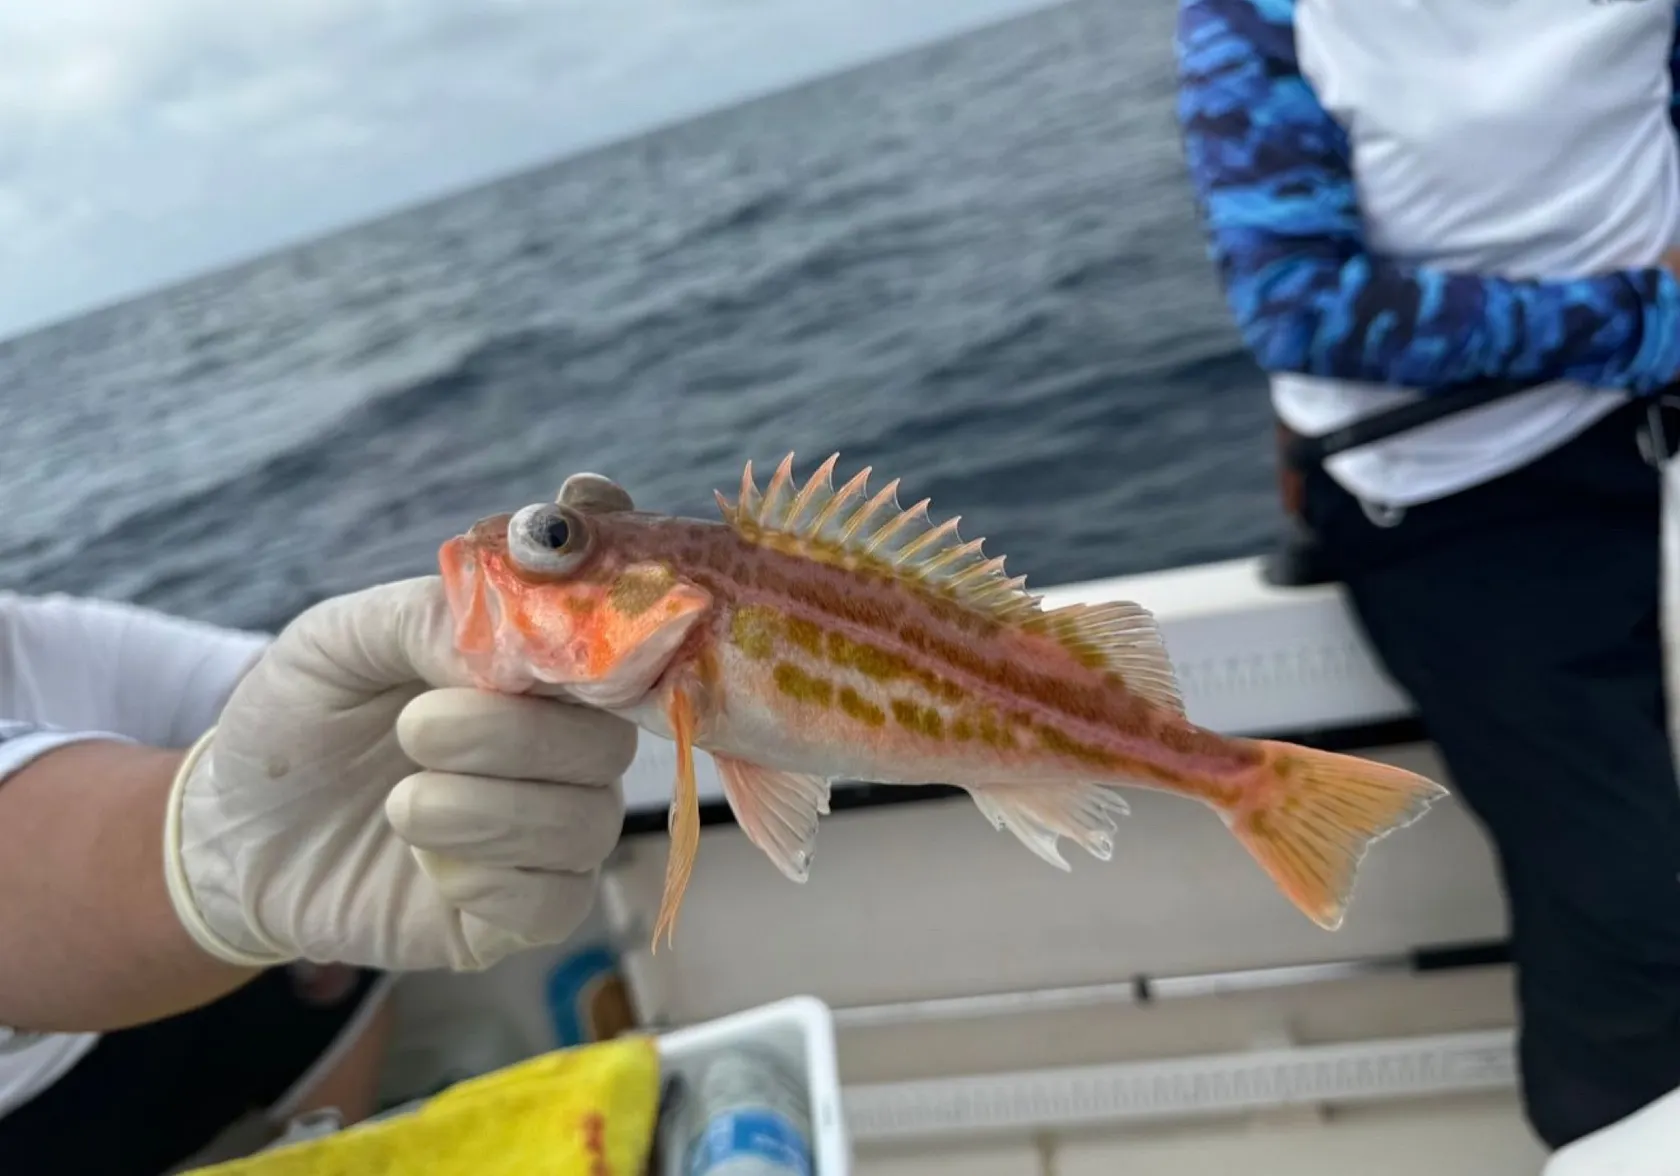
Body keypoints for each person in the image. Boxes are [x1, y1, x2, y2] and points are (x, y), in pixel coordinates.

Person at [1173, 0, 1680, 1170]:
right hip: (1461, 510)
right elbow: (1299, 305)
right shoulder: (1260, 18)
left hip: (1649, 440)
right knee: (1635, 916)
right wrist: (1646, 320)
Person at [0, 473, 638, 1174]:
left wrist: (475, 679)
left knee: (345, 949)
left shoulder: (39, 638)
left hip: (151, 1030)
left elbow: (267, 690)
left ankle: (333, 1153)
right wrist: (215, 849)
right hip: (27, 1124)